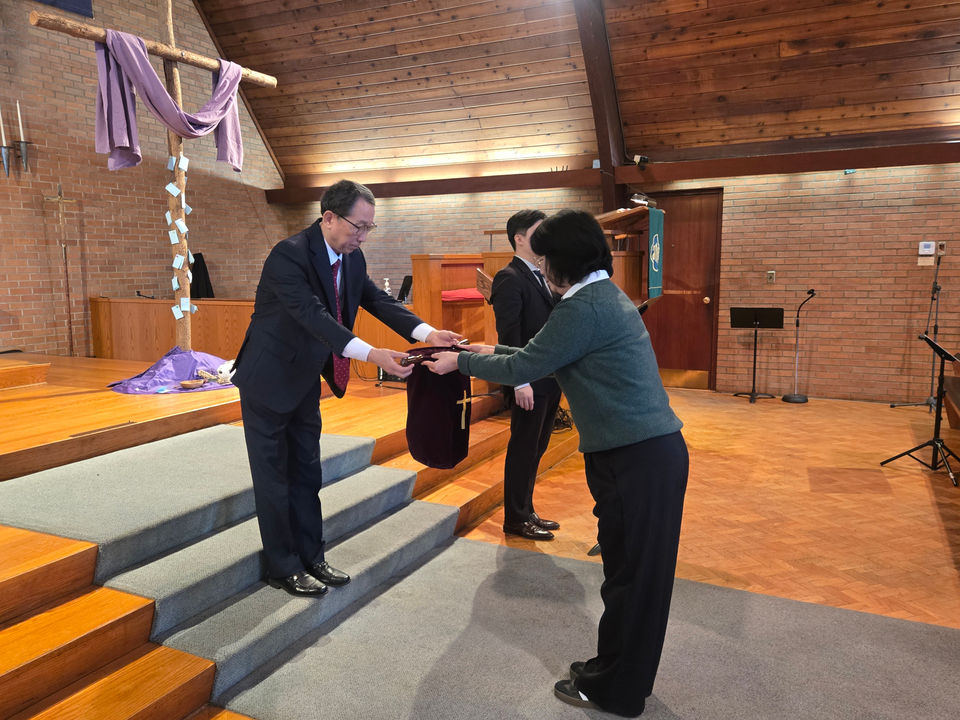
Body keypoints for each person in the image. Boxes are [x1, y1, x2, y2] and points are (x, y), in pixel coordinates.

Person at [428, 209, 688, 717]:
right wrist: (489, 347)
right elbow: (544, 354)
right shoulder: (598, 296)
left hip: (636, 458)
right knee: (629, 576)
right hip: (641, 455)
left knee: (633, 581)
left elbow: (528, 365)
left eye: (545, 257)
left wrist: (462, 360)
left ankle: (617, 690)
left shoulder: (583, 307)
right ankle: (615, 671)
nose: (542, 266)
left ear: (561, 261)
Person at [232, 179, 461, 598]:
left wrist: (428, 333)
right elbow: (313, 316)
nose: (364, 236)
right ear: (329, 217)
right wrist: (373, 355)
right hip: (268, 379)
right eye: (359, 226)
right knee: (274, 477)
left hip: (304, 378)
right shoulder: (289, 254)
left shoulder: (352, 258)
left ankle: (312, 556)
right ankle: (283, 566)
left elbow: (378, 301)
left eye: (370, 227)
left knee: (307, 471)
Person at [491, 209, 562, 541]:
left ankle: (527, 509)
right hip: (527, 381)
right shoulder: (509, 277)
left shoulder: (542, 274)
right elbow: (509, 336)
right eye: (538, 231)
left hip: (549, 377)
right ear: (519, 238)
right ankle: (515, 519)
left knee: (538, 448)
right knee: (523, 449)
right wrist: (519, 381)